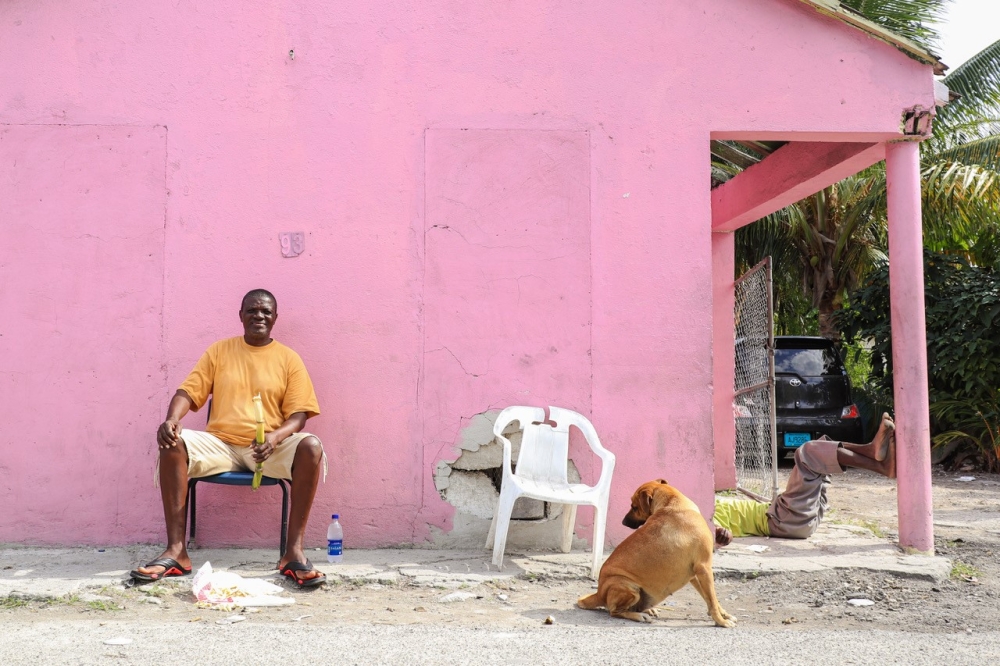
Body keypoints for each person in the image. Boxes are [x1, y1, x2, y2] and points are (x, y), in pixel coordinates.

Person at [130, 289, 327, 588]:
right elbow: (188, 392)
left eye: (265, 311)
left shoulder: (289, 358)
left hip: (266, 449)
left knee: (311, 446)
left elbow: (299, 415)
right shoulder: (219, 351)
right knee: (173, 441)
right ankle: (176, 551)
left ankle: (293, 553)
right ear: (240, 315)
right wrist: (173, 419)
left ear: (275, 318)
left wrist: (275, 437)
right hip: (220, 445)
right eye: (251, 310)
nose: (258, 316)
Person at [713, 414, 896, 545]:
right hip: (781, 520)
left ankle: (870, 450)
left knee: (821, 449)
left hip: (792, 518)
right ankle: (879, 466)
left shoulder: (698, 505)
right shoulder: (699, 518)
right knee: (807, 453)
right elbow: (711, 535)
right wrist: (722, 535)